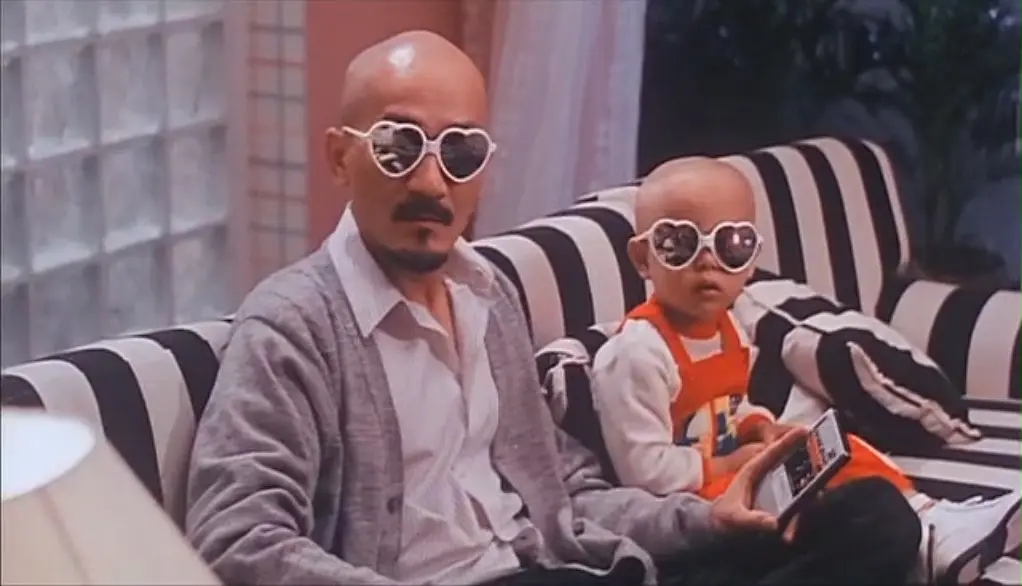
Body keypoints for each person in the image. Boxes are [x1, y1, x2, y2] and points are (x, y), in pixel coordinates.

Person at [185, 30, 923, 586]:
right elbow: (237, 536)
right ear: (340, 157)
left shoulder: (487, 295)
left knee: (872, 522)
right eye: (399, 147)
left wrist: (707, 517)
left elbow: (566, 493)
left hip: (561, 564)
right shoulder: (294, 325)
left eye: (460, 152)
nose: (433, 181)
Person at [590, 157, 1022, 584]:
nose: (707, 262)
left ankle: (930, 520)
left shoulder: (729, 330)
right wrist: (732, 463)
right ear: (642, 258)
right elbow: (646, 472)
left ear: (752, 261)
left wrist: (759, 427)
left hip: (731, 481)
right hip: (697, 514)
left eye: (732, 245)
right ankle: (915, 542)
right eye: (679, 244)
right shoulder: (637, 354)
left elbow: (728, 410)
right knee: (863, 511)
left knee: (835, 449)